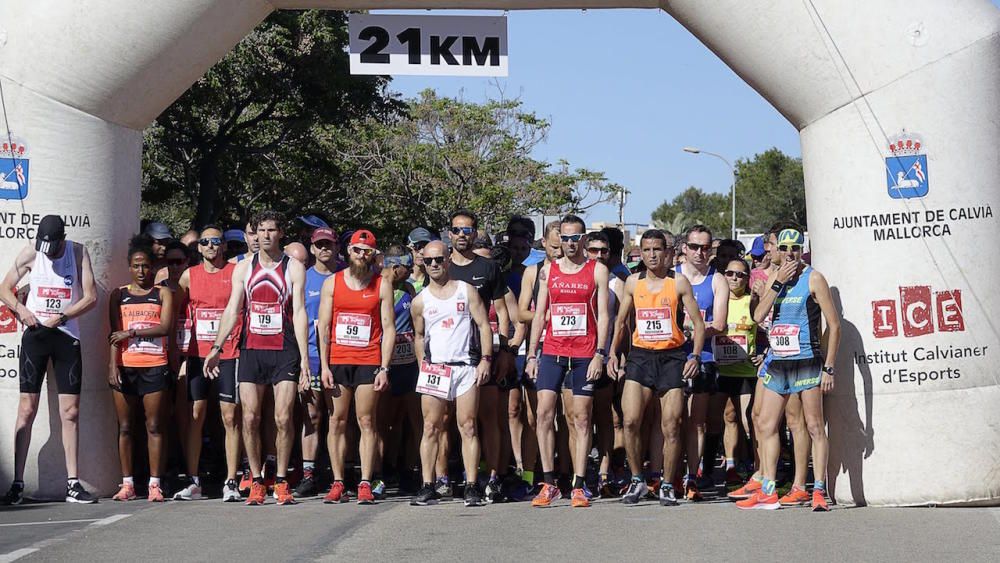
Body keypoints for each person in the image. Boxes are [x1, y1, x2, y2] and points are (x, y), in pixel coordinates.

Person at [206, 210, 310, 506]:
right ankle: (256, 479)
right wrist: (217, 348)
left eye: (271, 230)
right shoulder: (243, 268)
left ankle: (280, 479)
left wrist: (304, 359)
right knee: (249, 417)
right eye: (259, 230)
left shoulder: (293, 267)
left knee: (283, 416)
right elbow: (232, 310)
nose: (265, 235)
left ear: (280, 233)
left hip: (284, 350)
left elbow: (300, 312)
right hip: (251, 349)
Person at [737, 228, 840, 511]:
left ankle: (816, 489)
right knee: (766, 424)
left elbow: (834, 325)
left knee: (814, 425)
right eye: (784, 248)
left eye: (796, 247)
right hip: (779, 363)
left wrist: (828, 368)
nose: (790, 253)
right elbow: (758, 317)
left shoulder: (814, 278)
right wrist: (776, 284)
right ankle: (768, 489)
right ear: (777, 251)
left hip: (806, 361)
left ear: (802, 249)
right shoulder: (776, 277)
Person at [0, 215, 98, 505]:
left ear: (62, 239)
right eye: (45, 245)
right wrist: (21, 309)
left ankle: (72, 483)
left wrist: (65, 316)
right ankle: (18, 482)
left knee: (70, 412)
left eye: (53, 246)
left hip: (66, 334)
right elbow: (4, 287)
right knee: (27, 409)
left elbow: (91, 297)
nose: (48, 251)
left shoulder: (78, 252)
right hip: (35, 335)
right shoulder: (32, 251)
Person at [609, 229, 704, 506]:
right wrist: (614, 354)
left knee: (672, 425)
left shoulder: (679, 282)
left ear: (667, 252)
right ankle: (637, 479)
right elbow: (621, 322)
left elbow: (698, 324)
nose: (652, 255)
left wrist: (695, 357)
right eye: (647, 250)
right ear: (641, 253)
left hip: (672, 357)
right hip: (640, 356)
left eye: (657, 250)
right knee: (629, 421)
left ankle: (666, 484)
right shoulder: (632, 282)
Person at [526, 214, 610, 508]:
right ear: (558, 239)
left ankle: (579, 484)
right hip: (552, 351)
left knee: (581, 417)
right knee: (544, 414)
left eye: (576, 238)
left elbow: (604, 316)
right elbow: (539, 314)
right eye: (565, 238)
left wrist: (601, 353)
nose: (571, 243)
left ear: (584, 239)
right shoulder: (549, 270)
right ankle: (549, 483)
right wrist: (532, 354)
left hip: (585, 352)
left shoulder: (597, 269)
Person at [409, 241, 494, 506]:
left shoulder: (465, 291)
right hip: (436, 368)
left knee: (468, 425)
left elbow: (483, 325)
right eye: (428, 260)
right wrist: (423, 364)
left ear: (448, 260)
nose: (434, 264)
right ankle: (427, 485)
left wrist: (486, 360)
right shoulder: (420, 300)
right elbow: (419, 336)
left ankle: (471, 485)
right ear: (423, 263)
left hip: (464, 367)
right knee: (431, 426)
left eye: (438, 259)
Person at [317, 229, 396, 505]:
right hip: (338, 360)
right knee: (336, 420)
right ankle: (338, 481)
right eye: (357, 250)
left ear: (373, 255)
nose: (362, 255)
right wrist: (324, 366)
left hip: (368, 360)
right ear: (348, 251)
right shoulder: (333, 283)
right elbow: (324, 328)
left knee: (366, 420)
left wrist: (384, 367)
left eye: (368, 251)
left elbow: (388, 328)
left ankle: (365, 480)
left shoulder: (381, 284)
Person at [174, 226, 243, 501]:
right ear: (199, 247)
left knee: (230, 416)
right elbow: (176, 314)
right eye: (206, 242)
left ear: (224, 246)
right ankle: (193, 480)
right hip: (197, 353)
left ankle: (231, 481)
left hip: (229, 352)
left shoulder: (235, 272)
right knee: (195, 416)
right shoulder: (189, 276)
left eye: (217, 241)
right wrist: (177, 356)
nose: (211, 246)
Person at [447, 210, 511, 501]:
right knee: (445, 422)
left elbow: (503, 314)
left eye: (467, 230)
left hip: (481, 354)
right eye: (457, 229)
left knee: (486, 418)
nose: (462, 234)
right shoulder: (441, 265)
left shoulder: (488, 267)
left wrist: (505, 352)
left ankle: (494, 476)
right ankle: (443, 479)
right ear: (449, 233)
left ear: (475, 234)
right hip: (446, 355)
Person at [107, 239, 175, 502]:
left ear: (153, 268)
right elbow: (114, 334)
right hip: (125, 365)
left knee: (155, 425)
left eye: (146, 266)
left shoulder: (162, 293)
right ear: (129, 267)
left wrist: (132, 331)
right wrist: (113, 364)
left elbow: (165, 327)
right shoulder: (118, 294)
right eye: (136, 266)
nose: (141, 271)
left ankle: (155, 484)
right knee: (125, 427)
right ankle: (127, 484)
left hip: (154, 364)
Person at [675, 225, 729, 501]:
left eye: (705, 247)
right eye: (694, 246)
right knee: (671, 420)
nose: (700, 252)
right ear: (684, 247)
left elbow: (719, 324)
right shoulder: (672, 276)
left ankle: (692, 475)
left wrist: (693, 327)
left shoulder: (717, 279)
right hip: (671, 356)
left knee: (697, 421)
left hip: (704, 358)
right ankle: (668, 474)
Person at [294, 227, 343, 498]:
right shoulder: (305, 278)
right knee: (312, 416)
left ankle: (340, 475)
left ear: (337, 247)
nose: (325, 249)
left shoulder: (346, 276)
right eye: (319, 245)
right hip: (312, 355)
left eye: (329, 244)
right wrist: (302, 361)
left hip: (342, 356)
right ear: (312, 249)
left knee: (340, 418)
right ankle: (309, 474)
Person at [516, 221, 562, 492]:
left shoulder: (578, 272)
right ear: (543, 244)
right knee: (537, 416)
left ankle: (566, 473)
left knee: (570, 417)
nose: (559, 252)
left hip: (571, 347)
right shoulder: (533, 272)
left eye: (563, 245)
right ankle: (531, 475)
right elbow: (521, 313)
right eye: (554, 246)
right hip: (542, 347)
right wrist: (547, 318)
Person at [714, 258, 763, 487]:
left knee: (749, 421)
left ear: (748, 277)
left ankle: (759, 467)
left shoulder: (751, 301)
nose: (735, 278)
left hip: (745, 370)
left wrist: (763, 354)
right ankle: (731, 467)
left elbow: (767, 330)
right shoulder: (719, 301)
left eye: (741, 274)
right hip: (721, 369)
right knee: (728, 417)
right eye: (730, 273)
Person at [378, 245, 422, 496]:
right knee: (384, 421)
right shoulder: (376, 288)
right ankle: (384, 468)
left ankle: (409, 469)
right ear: (396, 268)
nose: (411, 271)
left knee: (413, 419)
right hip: (384, 363)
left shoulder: (409, 289)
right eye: (407, 268)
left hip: (409, 363)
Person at [406, 227, 437, 293]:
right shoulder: (401, 278)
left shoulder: (435, 278)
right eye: (418, 247)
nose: (422, 251)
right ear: (409, 248)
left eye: (426, 247)